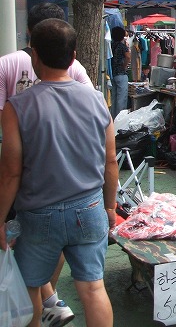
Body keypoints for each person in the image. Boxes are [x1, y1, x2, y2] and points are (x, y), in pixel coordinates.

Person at [0, 18, 118, 327]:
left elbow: (10, 172)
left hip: (38, 215)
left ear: (35, 55)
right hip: (90, 209)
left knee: (30, 287)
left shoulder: (16, 107)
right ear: (73, 56)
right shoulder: (96, 99)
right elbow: (110, 161)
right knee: (93, 288)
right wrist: (110, 207)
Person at [110, 26, 130, 118]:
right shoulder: (122, 46)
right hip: (121, 74)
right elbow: (128, 56)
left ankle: (113, 119)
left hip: (112, 74)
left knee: (113, 99)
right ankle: (120, 120)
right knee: (121, 99)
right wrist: (124, 66)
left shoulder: (111, 45)